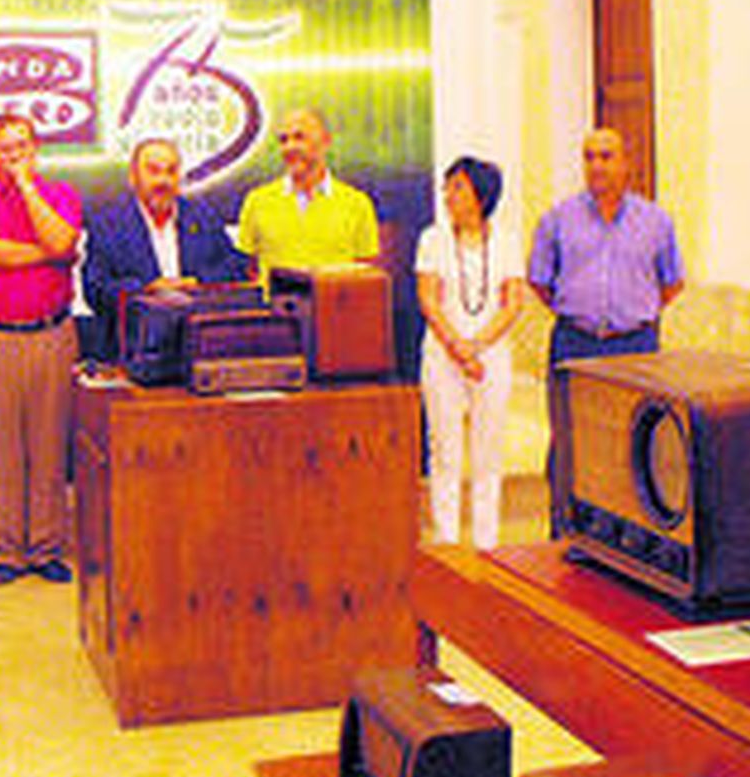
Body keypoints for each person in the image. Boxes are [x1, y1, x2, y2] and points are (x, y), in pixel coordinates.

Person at [0, 114, 82, 586]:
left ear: (36, 148)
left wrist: (28, 189)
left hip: (52, 336)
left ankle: (46, 548)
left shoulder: (60, 194)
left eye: (23, 147)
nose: (16, 157)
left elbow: (62, 238)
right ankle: (7, 552)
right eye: (6, 150)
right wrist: (48, 255)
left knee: (50, 446)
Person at [416, 157, 526, 550]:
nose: (448, 195)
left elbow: (513, 303)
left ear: (481, 195)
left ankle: (487, 543)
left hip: (490, 357)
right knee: (444, 450)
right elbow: (429, 300)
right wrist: (459, 349)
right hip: (442, 355)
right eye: (447, 187)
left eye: (457, 187)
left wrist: (476, 346)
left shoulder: (507, 241)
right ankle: (446, 540)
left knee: (487, 452)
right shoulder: (432, 239)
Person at [528, 128, 685, 366]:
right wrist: (577, 310)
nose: (597, 166)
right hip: (574, 343)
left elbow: (672, 283)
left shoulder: (656, 221)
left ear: (625, 163)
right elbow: (539, 281)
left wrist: (634, 312)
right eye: (589, 157)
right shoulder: (557, 219)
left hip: (635, 345)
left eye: (606, 156)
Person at [82, 137, 247, 360]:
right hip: (134, 352)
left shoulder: (203, 216)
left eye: (171, 171)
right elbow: (95, 287)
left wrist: (197, 283)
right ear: (133, 177)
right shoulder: (108, 224)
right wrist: (147, 289)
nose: (163, 181)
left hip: (199, 349)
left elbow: (235, 267)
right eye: (153, 171)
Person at [235, 107, 380, 281]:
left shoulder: (357, 204)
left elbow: (366, 276)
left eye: (299, 137)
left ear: (325, 141)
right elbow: (248, 270)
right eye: (283, 140)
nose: (290, 147)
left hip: (334, 298)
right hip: (275, 299)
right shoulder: (257, 201)